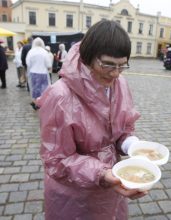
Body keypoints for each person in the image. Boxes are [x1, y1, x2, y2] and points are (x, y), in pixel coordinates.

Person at [36, 20, 147, 220]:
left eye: (122, 66)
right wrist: (101, 173)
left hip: (111, 183)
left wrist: (132, 145)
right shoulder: (60, 96)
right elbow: (56, 159)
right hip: (73, 195)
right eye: (108, 64)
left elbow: (123, 128)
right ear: (88, 58)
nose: (115, 73)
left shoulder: (119, 83)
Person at [26, 37, 52, 110]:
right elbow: (49, 65)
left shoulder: (31, 52)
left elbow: (28, 62)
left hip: (33, 73)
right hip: (43, 73)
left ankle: (35, 102)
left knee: (35, 89)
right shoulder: (44, 52)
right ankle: (42, 102)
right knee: (44, 89)